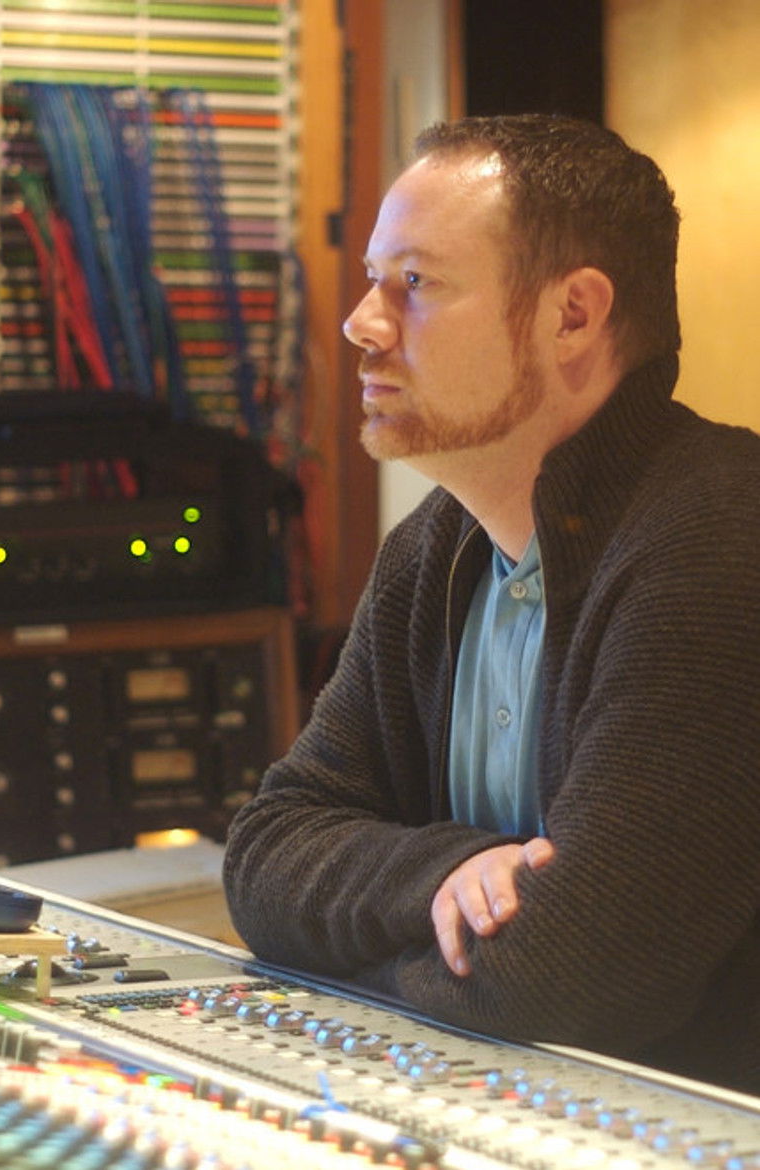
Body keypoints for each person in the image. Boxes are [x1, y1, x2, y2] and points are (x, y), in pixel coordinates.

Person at [223, 114, 760, 1094]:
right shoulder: (431, 549)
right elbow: (265, 857)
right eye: (374, 280)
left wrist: (336, 969)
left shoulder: (721, 544)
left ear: (573, 315)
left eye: (415, 283)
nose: (363, 324)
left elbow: (567, 975)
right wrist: (446, 873)